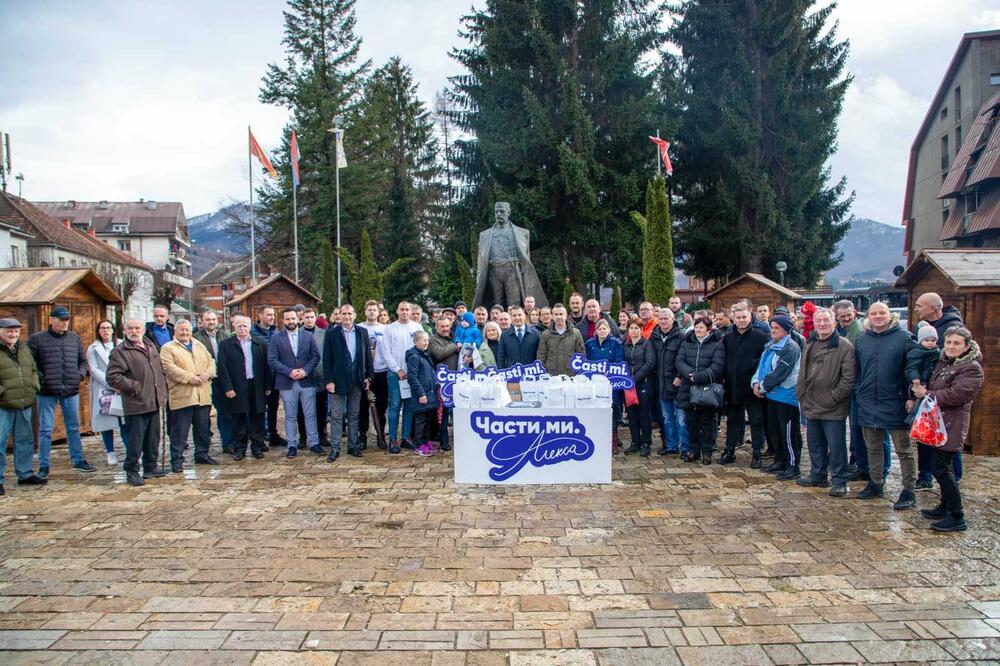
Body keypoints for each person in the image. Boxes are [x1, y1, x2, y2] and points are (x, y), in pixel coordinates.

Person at [912, 326, 983, 532]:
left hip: (952, 424)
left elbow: (957, 395)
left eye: (957, 343)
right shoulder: (945, 362)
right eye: (949, 342)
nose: (951, 346)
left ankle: (957, 514)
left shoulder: (971, 367)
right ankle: (945, 506)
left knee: (941, 468)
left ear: (966, 346)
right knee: (942, 467)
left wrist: (926, 394)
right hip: (938, 423)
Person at [853, 302, 915, 508]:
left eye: (882, 313)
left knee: (903, 448)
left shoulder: (904, 338)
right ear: (868, 317)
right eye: (874, 314)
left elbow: (911, 369)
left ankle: (908, 489)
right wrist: (859, 390)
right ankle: (876, 482)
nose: (878, 317)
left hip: (895, 401)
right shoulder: (862, 340)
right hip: (868, 400)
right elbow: (858, 369)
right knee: (873, 446)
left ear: (890, 316)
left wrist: (910, 396)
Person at [796, 308, 856, 495]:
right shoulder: (810, 343)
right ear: (814, 323)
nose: (822, 324)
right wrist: (802, 394)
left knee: (836, 446)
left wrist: (834, 398)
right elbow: (803, 371)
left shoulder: (843, 346)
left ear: (834, 322)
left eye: (826, 321)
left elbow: (848, 379)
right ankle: (818, 474)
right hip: (811, 402)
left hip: (832, 405)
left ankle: (839, 481)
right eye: (819, 321)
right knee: (815, 444)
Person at [28, 306, 92, 475]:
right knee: (46, 429)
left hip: (70, 389)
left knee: (73, 427)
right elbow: (30, 363)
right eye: (62, 319)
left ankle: (78, 459)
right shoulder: (37, 339)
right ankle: (43, 465)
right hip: (47, 391)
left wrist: (79, 375)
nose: (65, 323)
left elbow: (83, 360)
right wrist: (42, 378)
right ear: (51, 320)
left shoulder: (74, 338)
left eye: (67, 320)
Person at [106, 318, 169, 486]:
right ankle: (132, 470)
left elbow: (159, 370)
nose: (134, 331)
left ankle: (150, 466)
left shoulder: (150, 346)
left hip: (154, 400)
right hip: (136, 402)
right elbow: (113, 377)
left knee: (153, 437)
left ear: (143, 329)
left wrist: (162, 391)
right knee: (136, 439)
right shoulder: (121, 351)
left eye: (137, 328)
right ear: (125, 331)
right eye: (130, 328)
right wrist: (134, 386)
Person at [832, 299, 886, 482]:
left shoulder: (861, 332)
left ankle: (872, 468)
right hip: (844, 385)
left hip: (860, 386)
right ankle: (861, 465)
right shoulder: (837, 331)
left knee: (867, 430)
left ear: (854, 313)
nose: (846, 318)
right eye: (842, 316)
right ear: (837, 317)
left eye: (848, 315)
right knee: (855, 429)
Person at [159, 320, 217, 472]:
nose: (184, 333)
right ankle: (177, 460)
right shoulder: (168, 348)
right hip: (183, 396)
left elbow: (211, 361)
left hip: (202, 394)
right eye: (181, 330)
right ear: (175, 332)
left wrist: (207, 374)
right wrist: (190, 377)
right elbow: (169, 368)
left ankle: (202, 454)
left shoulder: (199, 345)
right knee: (179, 431)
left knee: (203, 429)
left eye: (187, 330)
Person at [751, 315, 803, 479]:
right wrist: (756, 382)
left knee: (788, 433)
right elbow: (762, 367)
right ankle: (779, 460)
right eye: (772, 327)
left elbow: (780, 372)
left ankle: (793, 465)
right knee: (775, 431)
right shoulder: (771, 345)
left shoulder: (790, 347)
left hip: (786, 396)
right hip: (771, 395)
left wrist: (763, 387)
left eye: (777, 328)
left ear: (786, 330)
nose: (773, 330)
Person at [268, 307, 322, 457]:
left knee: (310, 414)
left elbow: (316, 356)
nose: (291, 321)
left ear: (299, 319)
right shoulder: (276, 338)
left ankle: (314, 443)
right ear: (283, 321)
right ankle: (292, 445)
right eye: (288, 319)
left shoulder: (307, 336)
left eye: (293, 318)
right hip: (287, 382)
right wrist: (289, 371)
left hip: (307, 380)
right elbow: (272, 359)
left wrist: (305, 370)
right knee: (290, 415)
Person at [217, 316, 273, 461]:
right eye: (239, 326)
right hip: (237, 386)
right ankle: (239, 448)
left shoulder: (259, 343)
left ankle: (257, 446)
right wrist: (228, 387)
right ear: (234, 327)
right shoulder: (226, 345)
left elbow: (267, 366)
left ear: (250, 326)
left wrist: (268, 385)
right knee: (238, 418)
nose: (242, 329)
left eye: (245, 326)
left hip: (256, 384)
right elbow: (222, 368)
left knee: (257, 416)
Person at [0, 317, 44, 493]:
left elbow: (33, 369)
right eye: (9, 330)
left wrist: (35, 386)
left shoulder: (23, 348)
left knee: (25, 440)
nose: (13, 334)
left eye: (16, 331)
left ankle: (25, 474)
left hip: (25, 401)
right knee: (0, 442)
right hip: (3, 404)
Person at [719, 305, 768, 466]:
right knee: (732, 421)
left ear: (750, 317)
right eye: (738, 318)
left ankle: (756, 453)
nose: (741, 321)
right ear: (733, 318)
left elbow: (764, 362)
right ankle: (730, 450)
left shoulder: (761, 337)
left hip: (752, 387)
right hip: (733, 386)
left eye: (744, 317)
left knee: (756, 421)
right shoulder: (728, 338)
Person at [324, 304, 373, 461]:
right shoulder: (331, 334)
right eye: (343, 314)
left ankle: (352, 445)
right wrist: (329, 380)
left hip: (357, 380)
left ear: (355, 315)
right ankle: (335, 448)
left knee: (354, 415)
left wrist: (369, 376)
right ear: (339, 316)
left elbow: (367, 357)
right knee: (337, 415)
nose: (346, 316)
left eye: (349, 313)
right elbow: (326, 359)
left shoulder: (362, 332)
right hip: (337, 382)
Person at [676, 314, 725, 464]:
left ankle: (707, 451)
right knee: (691, 423)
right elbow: (679, 361)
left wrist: (699, 376)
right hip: (688, 388)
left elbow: (717, 367)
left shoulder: (717, 345)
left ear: (708, 330)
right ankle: (694, 450)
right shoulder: (686, 342)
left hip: (707, 389)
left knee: (707, 423)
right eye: (696, 327)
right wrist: (689, 375)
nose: (698, 330)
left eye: (701, 327)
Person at [378, 301, 424, 454]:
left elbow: (422, 347)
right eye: (402, 309)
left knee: (409, 406)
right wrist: (397, 370)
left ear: (411, 312)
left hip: (413, 374)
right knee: (395, 405)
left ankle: (405, 437)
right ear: (397, 311)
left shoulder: (417, 327)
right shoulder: (390, 329)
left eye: (407, 310)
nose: (404, 312)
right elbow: (386, 352)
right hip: (395, 374)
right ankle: (392, 438)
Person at [907, 325, 947, 490]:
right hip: (922, 393)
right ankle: (925, 475)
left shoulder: (941, 355)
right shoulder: (917, 353)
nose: (930, 343)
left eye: (933, 340)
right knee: (923, 438)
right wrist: (914, 385)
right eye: (927, 340)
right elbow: (911, 369)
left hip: (935, 398)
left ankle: (938, 476)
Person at [87, 320, 128, 466]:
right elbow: (94, 369)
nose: (106, 331)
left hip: (121, 388)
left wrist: (121, 383)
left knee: (124, 421)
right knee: (106, 422)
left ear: (113, 330)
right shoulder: (93, 348)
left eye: (109, 328)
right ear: (98, 331)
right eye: (103, 328)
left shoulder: (122, 344)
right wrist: (111, 383)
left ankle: (130, 450)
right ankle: (110, 452)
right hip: (104, 387)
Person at [193, 309, 232, 454]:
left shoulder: (224, 335)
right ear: (202, 322)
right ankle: (203, 446)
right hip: (205, 381)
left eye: (213, 319)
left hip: (223, 381)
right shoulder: (196, 338)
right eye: (208, 320)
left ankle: (227, 443)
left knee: (225, 413)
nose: (211, 322)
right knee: (203, 417)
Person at [651, 308, 686, 456]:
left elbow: (685, 357)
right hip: (661, 383)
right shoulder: (654, 336)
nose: (664, 321)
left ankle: (685, 447)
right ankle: (671, 445)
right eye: (661, 319)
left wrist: (680, 375)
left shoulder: (681, 336)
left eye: (667, 318)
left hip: (677, 383)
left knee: (681, 419)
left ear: (673, 320)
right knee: (667, 417)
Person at [587, 319, 625, 453]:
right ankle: (599, 438)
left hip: (611, 384)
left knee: (612, 410)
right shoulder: (590, 344)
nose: (602, 331)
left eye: (604, 329)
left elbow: (619, 362)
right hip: (595, 384)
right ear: (595, 331)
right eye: (599, 329)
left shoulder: (616, 343)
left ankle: (613, 440)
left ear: (609, 330)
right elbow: (587, 363)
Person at [622, 317, 656, 457]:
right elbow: (622, 364)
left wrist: (634, 379)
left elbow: (650, 363)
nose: (634, 331)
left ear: (641, 330)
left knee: (644, 414)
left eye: (637, 328)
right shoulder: (625, 345)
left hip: (643, 383)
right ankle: (635, 441)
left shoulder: (647, 344)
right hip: (628, 385)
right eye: (631, 328)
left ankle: (646, 442)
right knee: (632, 415)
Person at [251, 305, 283, 450]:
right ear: (260, 316)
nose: (271, 317)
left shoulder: (276, 331)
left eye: (273, 315)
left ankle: (273, 433)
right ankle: (259, 437)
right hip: (260, 376)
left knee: (273, 406)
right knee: (259, 409)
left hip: (275, 375)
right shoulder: (253, 332)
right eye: (268, 315)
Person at [358, 300, 388, 449]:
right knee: (363, 406)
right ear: (365, 311)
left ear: (378, 312)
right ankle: (362, 435)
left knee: (381, 406)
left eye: (374, 310)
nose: (371, 312)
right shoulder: (359, 328)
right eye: (369, 309)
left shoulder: (385, 329)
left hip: (381, 371)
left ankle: (380, 434)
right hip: (363, 373)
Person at [428, 316, 459, 452]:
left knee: (458, 412)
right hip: (443, 384)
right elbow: (439, 354)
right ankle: (444, 440)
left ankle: (459, 438)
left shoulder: (455, 336)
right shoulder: (433, 340)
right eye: (442, 326)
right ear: (437, 327)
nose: (445, 329)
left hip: (459, 380)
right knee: (444, 413)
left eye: (447, 326)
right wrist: (456, 346)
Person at [299, 309, 329, 449]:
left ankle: (321, 435)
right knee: (302, 409)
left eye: (312, 317)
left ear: (316, 318)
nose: (310, 320)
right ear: (302, 318)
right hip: (303, 376)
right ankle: (303, 436)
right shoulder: (297, 333)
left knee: (321, 409)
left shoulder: (324, 334)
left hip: (320, 376)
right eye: (307, 317)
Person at [406, 330, 438, 456]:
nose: (426, 342)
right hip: (422, 394)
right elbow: (412, 377)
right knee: (420, 421)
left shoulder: (425, 355)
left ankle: (426, 442)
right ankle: (419, 445)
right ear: (416, 342)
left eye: (427, 340)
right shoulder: (414, 357)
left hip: (430, 393)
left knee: (428, 420)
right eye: (423, 340)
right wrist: (421, 394)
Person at [537, 304, 585, 377]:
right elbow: (541, 356)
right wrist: (544, 373)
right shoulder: (545, 334)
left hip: (571, 375)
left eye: (561, 314)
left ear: (566, 315)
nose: (559, 317)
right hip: (551, 375)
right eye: (556, 314)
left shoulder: (576, 333)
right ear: (552, 316)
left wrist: (578, 373)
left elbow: (581, 354)